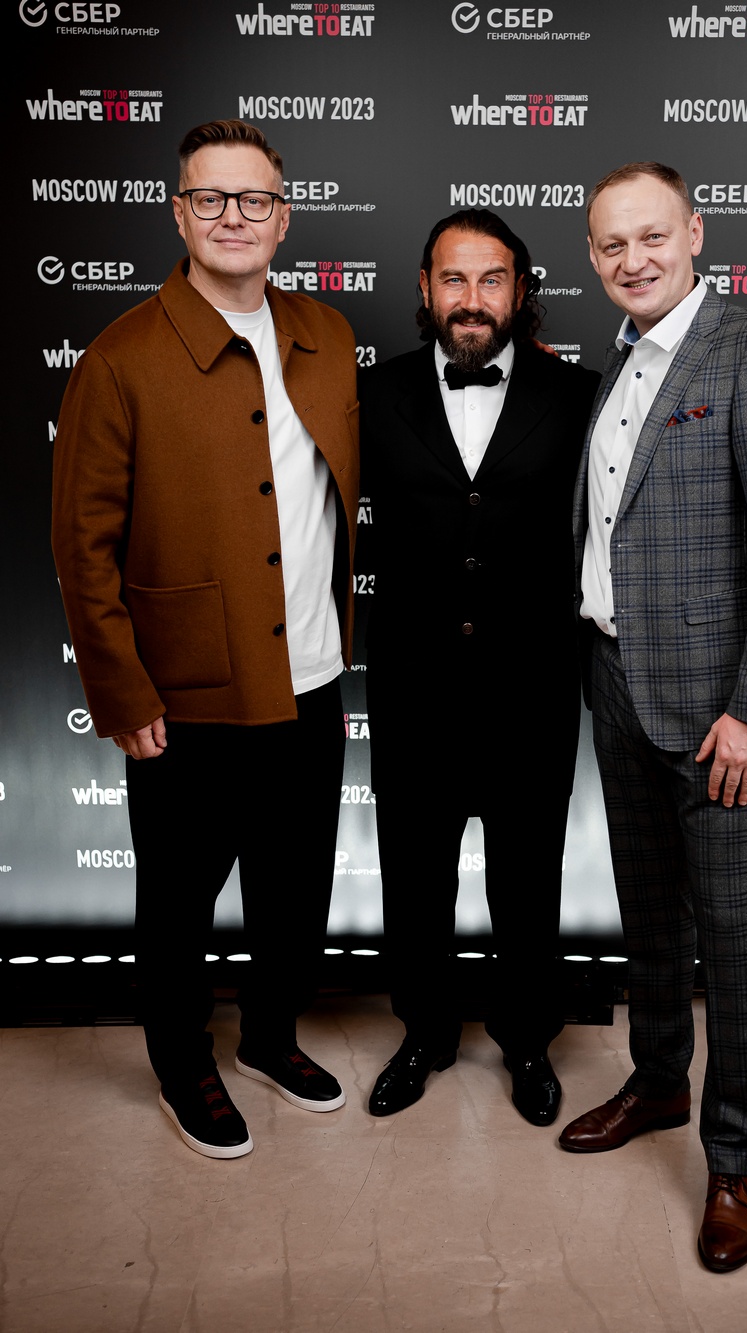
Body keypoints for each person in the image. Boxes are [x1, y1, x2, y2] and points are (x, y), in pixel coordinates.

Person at [52, 120, 360, 1159]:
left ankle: (270, 1036)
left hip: (312, 677)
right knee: (178, 902)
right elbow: (82, 545)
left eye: (255, 198)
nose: (236, 216)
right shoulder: (120, 357)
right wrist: (122, 690)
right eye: (212, 198)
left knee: (293, 889)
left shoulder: (329, 334)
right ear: (179, 213)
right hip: (184, 696)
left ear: (284, 216)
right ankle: (183, 1061)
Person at [559, 163, 747, 1270]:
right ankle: (660, 1081)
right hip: (617, 682)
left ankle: (734, 1158)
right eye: (611, 244)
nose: (634, 259)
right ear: (593, 256)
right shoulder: (618, 364)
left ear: (695, 232)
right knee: (650, 917)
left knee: (734, 939)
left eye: (652, 236)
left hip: (720, 713)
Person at [360, 209, 600, 1126]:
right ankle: (424, 1033)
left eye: (491, 279)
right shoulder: (371, 393)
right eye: (453, 279)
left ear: (520, 290)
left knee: (528, 879)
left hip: (532, 690)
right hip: (412, 689)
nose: (471, 299)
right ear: (424, 289)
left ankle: (528, 1039)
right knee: (414, 877)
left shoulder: (579, 395)